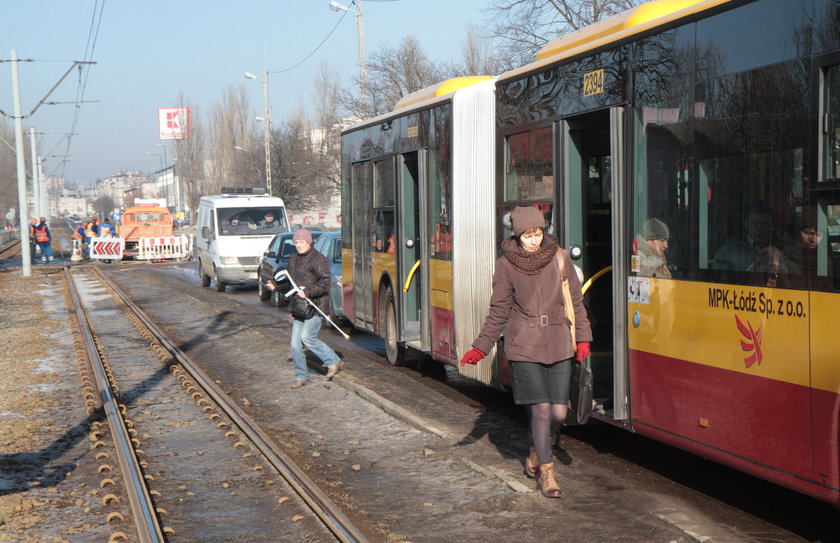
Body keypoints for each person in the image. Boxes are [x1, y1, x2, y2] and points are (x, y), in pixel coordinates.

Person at [460, 206, 592, 498]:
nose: (533, 240)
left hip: (558, 341)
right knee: (541, 409)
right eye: (527, 235)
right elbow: (498, 311)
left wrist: (583, 339)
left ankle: (536, 447)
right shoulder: (506, 265)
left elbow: (576, 303)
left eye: (538, 233)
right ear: (517, 235)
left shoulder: (559, 257)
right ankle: (547, 472)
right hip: (524, 346)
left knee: (559, 412)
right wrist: (480, 348)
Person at [280, 229, 344, 389]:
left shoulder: (318, 259)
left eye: (301, 242)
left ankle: (333, 361)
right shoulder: (294, 259)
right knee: (295, 344)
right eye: (296, 243)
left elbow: (325, 282)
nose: (298, 245)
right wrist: (275, 286)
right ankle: (302, 376)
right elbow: (289, 282)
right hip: (300, 308)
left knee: (307, 337)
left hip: (316, 307)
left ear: (308, 242)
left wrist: (307, 291)